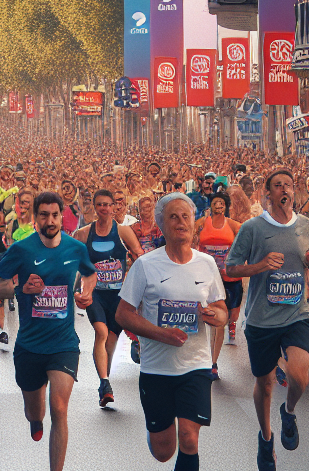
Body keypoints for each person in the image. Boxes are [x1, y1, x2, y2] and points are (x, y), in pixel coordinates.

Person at [116, 193, 228, 471]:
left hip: (196, 365)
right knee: (164, 452)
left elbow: (221, 308)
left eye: (186, 216)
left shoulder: (207, 264)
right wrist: (160, 333)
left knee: (189, 439)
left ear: (193, 223)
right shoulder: (145, 265)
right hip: (157, 368)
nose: (180, 222)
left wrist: (215, 316)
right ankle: (156, 436)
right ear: (162, 226)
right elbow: (123, 314)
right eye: (173, 217)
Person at [0, 191, 96, 471]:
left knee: (59, 409)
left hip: (63, 344)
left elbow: (89, 272)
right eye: (44, 215)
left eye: (54, 215)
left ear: (62, 215)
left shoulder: (75, 248)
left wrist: (86, 291)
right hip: (29, 345)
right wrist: (19, 289)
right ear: (35, 217)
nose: (50, 221)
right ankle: (36, 421)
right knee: (35, 412)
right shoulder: (22, 249)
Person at [225, 168, 309, 471]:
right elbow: (232, 269)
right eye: (277, 185)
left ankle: (288, 412)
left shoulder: (308, 227)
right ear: (268, 193)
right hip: (262, 319)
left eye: (288, 184)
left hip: (297, 313)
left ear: (294, 191)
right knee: (264, 385)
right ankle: (266, 439)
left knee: (300, 376)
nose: (284, 189)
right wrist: (260, 266)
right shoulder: (253, 228)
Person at [72, 188, 142, 407]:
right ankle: (104, 383)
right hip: (96, 294)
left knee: (111, 340)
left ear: (114, 207)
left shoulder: (123, 232)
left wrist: (134, 281)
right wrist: (74, 291)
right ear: (95, 207)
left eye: (107, 204)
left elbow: (139, 258)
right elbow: (74, 266)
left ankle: (105, 383)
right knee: (101, 333)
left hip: (119, 296)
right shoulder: (83, 234)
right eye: (99, 204)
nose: (104, 208)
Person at [194, 191, 242, 376]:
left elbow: (247, 237)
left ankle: (213, 363)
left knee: (223, 318)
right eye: (215, 203)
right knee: (207, 319)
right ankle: (206, 360)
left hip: (227, 278)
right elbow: (189, 236)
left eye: (222, 203)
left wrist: (238, 258)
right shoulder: (202, 223)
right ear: (210, 206)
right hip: (205, 278)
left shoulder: (232, 225)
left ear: (226, 206)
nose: (219, 206)